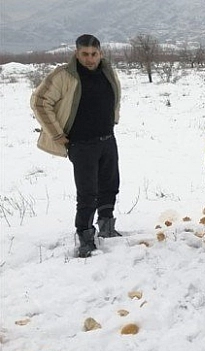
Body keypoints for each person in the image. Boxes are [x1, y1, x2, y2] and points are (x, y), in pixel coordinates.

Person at [30, 34, 122, 258]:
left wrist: (113, 120)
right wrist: (56, 133)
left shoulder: (107, 71)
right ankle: (85, 236)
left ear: (100, 53)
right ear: (76, 53)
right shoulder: (64, 75)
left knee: (110, 185)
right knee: (88, 192)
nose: (90, 59)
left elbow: (114, 97)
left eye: (94, 54)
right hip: (81, 144)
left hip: (107, 139)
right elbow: (39, 101)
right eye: (85, 54)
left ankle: (107, 227)